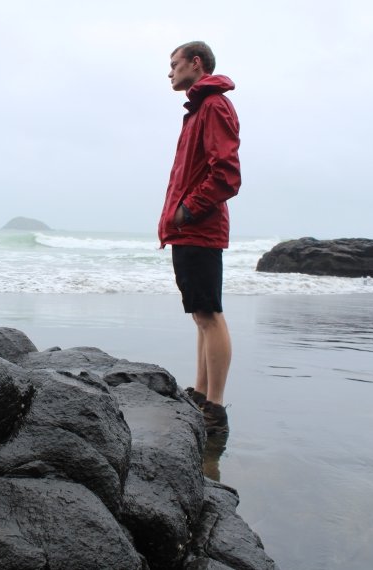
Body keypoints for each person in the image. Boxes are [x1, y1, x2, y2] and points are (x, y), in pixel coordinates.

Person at [158, 41, 241, 435]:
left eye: (174, 64)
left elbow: (226, 174)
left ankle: (216, 407)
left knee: (209, 315)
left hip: (200, 227)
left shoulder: (214, 106)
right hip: (188, 229)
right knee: (201, 315)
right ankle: (202, 392)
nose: (169, 72)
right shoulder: (197, 110)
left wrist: (187, 209)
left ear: (196, 63)